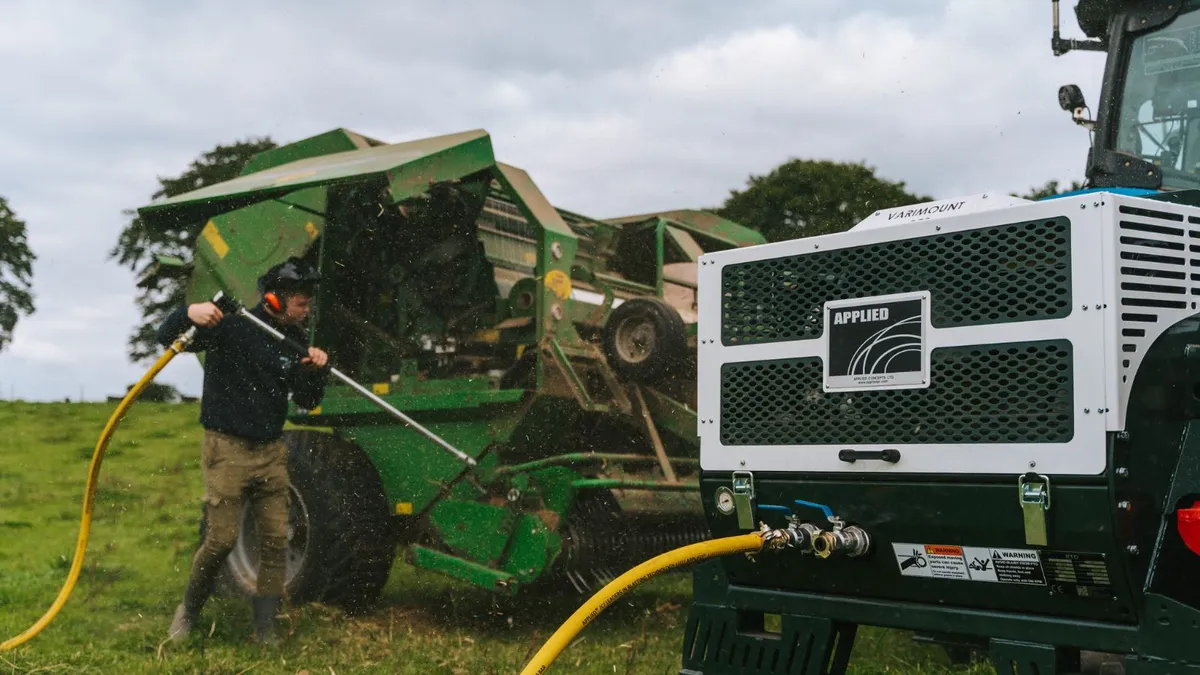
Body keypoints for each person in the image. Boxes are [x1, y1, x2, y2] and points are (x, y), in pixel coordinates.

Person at [156, 256, 330, 646]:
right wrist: (189, 312)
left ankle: (265, 629)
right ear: (274, 297)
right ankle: (188, 612)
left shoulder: (294, 342)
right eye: (300, 303)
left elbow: (307, 399)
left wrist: (315, 370)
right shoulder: (231, 327)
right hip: (227, 448)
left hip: (271, 450)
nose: (306, 310)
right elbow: (166, 336)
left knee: (275, 541)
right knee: (221, 540)